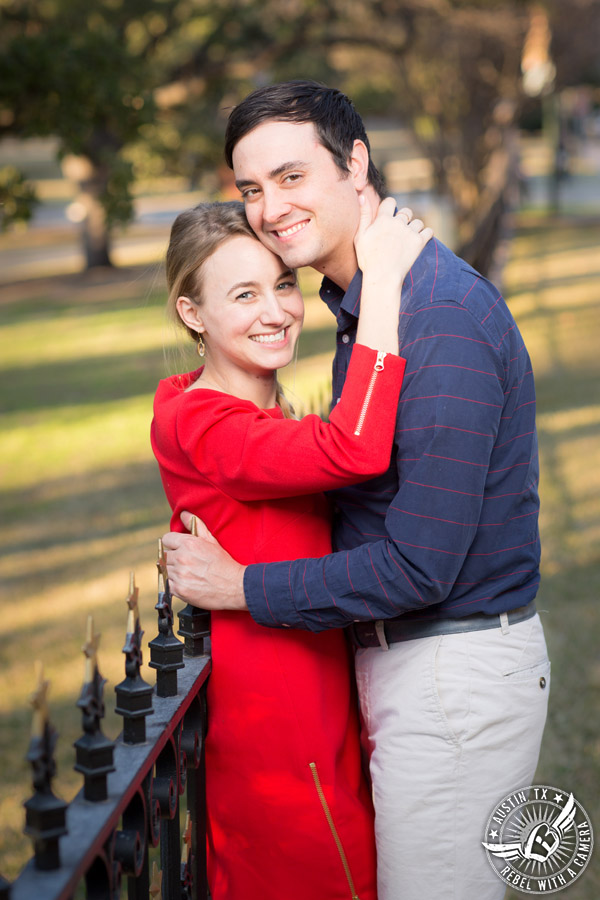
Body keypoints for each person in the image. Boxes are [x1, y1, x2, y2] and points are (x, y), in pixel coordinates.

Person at [162, 81, 551, 900]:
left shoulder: (433, 317)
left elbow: (420, 567)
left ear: (355, 162)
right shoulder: (369, 305)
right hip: (406, 669)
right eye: (252, 188)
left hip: (452, 671)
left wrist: (241, 585)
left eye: (292, 177)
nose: (270, 207)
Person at [151, 197, 432, 900]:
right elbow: (357, 447)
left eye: (282, 284)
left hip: (324, 687)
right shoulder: (205, 421)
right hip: (280, 716)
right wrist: (385, 282)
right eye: (243, 294)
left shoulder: (252, 410)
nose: (276, 310)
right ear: (193, 314)